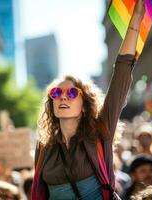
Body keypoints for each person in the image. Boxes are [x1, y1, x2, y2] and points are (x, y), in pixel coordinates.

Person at [31, 0, 146, 199]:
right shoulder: (44, 147)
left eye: (72, 93)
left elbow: (121, 72)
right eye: (56, 94)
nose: (63, 97)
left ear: (84, 106)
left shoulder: (101, 131)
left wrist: (135, 21)